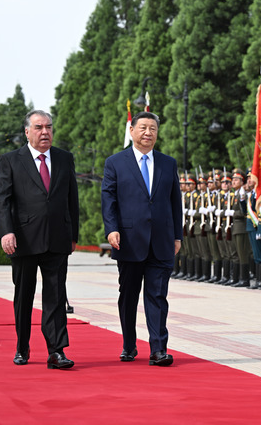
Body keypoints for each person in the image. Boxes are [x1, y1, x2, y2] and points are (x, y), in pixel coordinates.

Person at [0, 110, 79, 369]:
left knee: (56, 295)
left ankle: (56, 351)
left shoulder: (64, 158)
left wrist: (73, 234)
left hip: (57, 239)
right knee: (24, 296)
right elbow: (2, 200)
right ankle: (22, 347)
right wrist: (6, 231)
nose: (45, 132)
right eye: (39, 127)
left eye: (49, 127)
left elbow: (72, 199)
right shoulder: (11, 160)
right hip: (24, 240)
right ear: (27, 132)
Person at [101, 111, 183, 366]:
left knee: (157, 296)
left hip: (162, 241)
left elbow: (175, 201)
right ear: (132, 131)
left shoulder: (168, 163)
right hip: (128, 240)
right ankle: (129, 344)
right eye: (143, 128)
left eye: (153, 129)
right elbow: (108, 199)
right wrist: (111, 228)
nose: (148, 133)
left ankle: (158, 349)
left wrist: (177, 235)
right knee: (129, 296)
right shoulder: (115, 162)